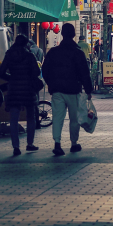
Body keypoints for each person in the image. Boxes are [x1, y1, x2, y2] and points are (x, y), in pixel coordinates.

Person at [42, 23, 93, 156]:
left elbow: (45, 70)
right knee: (74, 118)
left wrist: (51, 84)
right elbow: (84, 73)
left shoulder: (53, 52)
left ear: (62, 34)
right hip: (73, 90)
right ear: (73, 35)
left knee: (58, 117)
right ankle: (74, 143)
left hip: (57, 90)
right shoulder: (78, 53)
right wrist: (88, 90)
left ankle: (57, 143)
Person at [0, 34, 41, 156]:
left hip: (14, 89)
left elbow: (1, 72)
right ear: (26, 43)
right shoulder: (29, 55)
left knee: (13, 118)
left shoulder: (9, 55)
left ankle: (16, 147)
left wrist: (11, 78)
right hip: (28, 89)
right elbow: (37, 72)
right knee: (31, 117)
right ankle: (30, 144)